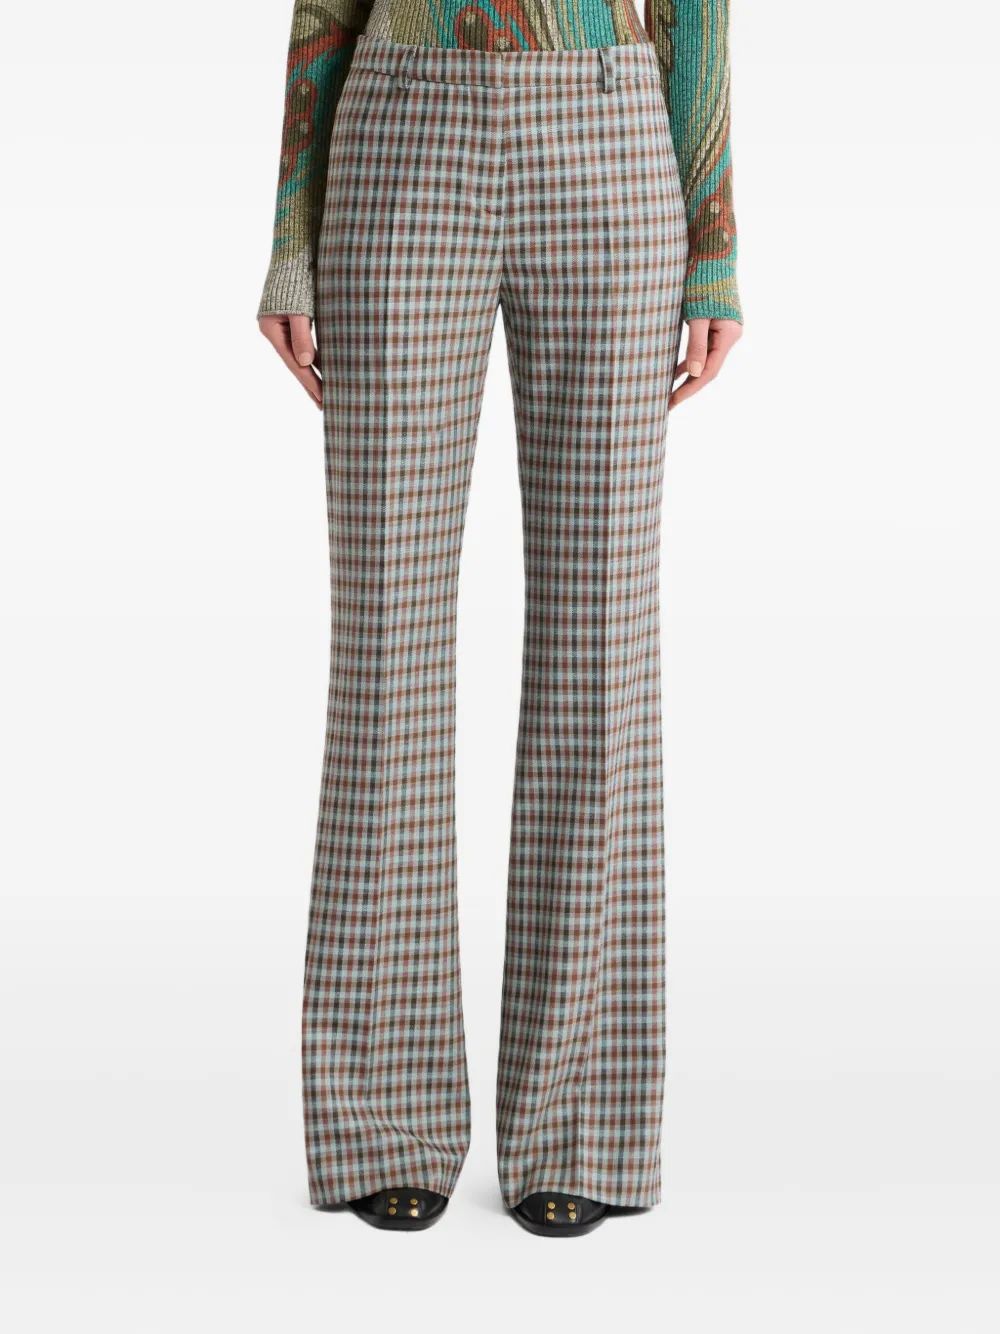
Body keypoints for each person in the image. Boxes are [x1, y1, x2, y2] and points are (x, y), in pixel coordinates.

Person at [257, 0, 742, 1237]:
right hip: (403, 126)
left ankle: (578, 1121)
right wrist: (291, 238)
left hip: (606, 129)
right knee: (387, 642)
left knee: (601, 642)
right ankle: (383, 1114)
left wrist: (716, 244)